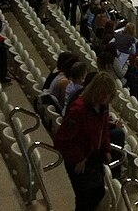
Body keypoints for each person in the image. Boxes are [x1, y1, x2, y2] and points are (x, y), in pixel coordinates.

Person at [53, 72, 119, 211]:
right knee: (83, 198)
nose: (106, 97)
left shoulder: (102, 106)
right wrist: (79, 157)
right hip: (78, 160)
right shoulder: (79, 109)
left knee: (98, 192)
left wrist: (106, 149)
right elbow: (61, 139)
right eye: (103, 93)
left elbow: (103, 128)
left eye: (108, 94)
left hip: (93, 156)